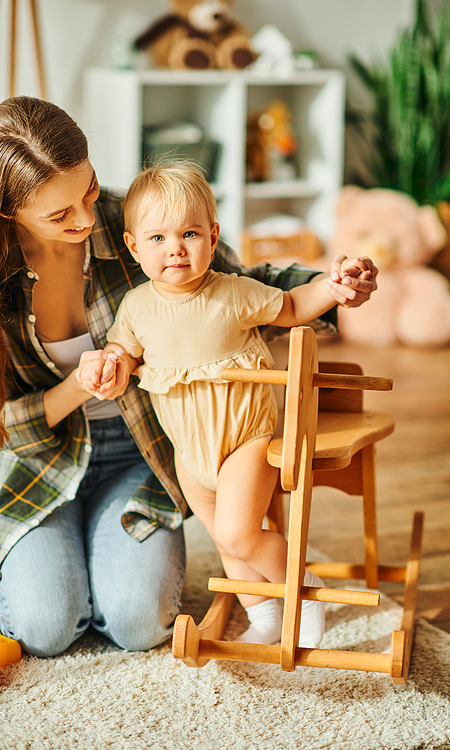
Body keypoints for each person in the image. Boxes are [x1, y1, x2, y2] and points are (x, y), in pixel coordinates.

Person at [0, 95, 378, 658]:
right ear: (9, 214)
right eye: (59, 215)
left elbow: (246, 287)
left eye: (87, 189)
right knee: (44, 627)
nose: (86, 217)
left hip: (151, 446)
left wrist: (333, 284)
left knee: (138, 623)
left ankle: (285, 594)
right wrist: (86, 381)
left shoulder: (148, 218)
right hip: (46, 456)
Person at [76, 163, 374, 648]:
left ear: (213, 237)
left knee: (239, 533)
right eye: (157, 238)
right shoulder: (135, 307)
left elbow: (295, 307)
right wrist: (106, 365)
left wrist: (332, 285)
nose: (175, 248)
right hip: (189, 452)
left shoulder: (232, 294)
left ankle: (308, 590)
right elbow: (122, 354)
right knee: (226, 541)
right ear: (133, 246)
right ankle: (266, 617)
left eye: (190, 233)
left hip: (246, 438)